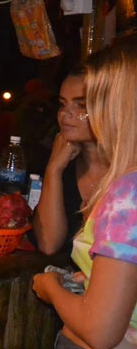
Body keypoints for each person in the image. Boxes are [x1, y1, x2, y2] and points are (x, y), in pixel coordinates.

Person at [32, 42, 137, 349]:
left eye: (90, 103)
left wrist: (52, 288)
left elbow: (100, 332)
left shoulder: (127, 193)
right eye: (64, 104)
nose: (70, 115)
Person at [32, 67, 107, 255]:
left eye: (81, 105)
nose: (66, 114)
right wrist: (54, 169)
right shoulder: (64, 166)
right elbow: (48, 244)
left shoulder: (127, 171)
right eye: (62, 104)